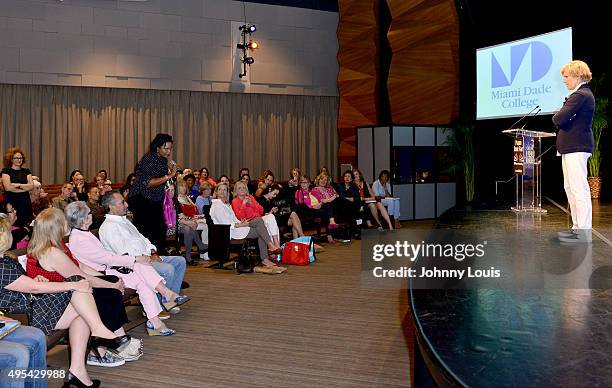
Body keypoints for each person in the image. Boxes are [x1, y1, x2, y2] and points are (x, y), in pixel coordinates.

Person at [0, 215, 130, 388]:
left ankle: (78, 372)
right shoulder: (2, 266)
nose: (11, 234)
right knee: (78, 287)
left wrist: (39, 278)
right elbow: (32, 288)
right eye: (8, 232)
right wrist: (72, 284)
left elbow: (24, 284)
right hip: (26, 315)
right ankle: (99, 333)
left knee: (82, 312)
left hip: (33, 306)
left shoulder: (5, 259)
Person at [25, 208, 141, 367]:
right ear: (57, 227)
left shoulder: (57, 245)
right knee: (105, 293)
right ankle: (106, 345)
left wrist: (107, 278)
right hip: (52, 304)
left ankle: (110, 338)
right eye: (64, 221)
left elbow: (81, 266)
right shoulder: (51, 252)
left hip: (64, 293)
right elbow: (80, 276)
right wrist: (112, 285)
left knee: (108, 283)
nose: (68, 222)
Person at [65, 201, 178, 337]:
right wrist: (135, 258)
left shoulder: (83, 234)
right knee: (139, 265)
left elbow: (107, 258)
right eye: (89, 213)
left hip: (108, 269)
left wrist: (135, 259)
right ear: (83, 219)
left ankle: (157, 316)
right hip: (100, 275)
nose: (92, 215)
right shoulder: (78, 239)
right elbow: (107, 259)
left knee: (141, 274)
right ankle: (164, 298)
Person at [99, 191, 188, 309]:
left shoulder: (124, 220)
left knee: (180, 261)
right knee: (168, 269)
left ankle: (170, 300)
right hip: (133, 265)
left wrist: (153, 251)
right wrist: (149, 258)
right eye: (122, 202)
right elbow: (125, 253)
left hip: (147, 257)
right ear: (111, 206)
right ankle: (160, 305)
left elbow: (143, 239)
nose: (126, 205)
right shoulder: (109, 227)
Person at [553, 60, 596, 243]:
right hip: (570, 147)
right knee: (570, 188)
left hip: (576, 147)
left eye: (566, 76)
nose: (564, 80)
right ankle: (577, 228)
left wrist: (559, 115)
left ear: (578, 75)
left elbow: (559, 118)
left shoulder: (580, 95)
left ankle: (583, 232)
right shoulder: (579, 95)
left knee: (579, 189)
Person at [210, 183, 283, 269]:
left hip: (237, 226)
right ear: (216, 192)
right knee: (260, 229)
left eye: (225, 190)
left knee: (260, 222)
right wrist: (240, 225)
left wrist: (241, 222)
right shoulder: (216, 205)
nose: (222, 192)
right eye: (220, 189)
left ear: (227, 192)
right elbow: (225, 223)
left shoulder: (226, 205)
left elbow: (236, 218)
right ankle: (267, 253)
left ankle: (268, 252)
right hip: (228, 231)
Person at [128, 134, 177, 252]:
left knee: (159, 230)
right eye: (166, 148)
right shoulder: (149, 158)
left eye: (170, 148)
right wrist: (169, 175)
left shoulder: (162, 160)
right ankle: (147, 258)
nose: (169, 152)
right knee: (147, 231)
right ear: (157, 147)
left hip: (154, 199)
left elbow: (158, 181)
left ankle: (158, 256)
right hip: (142, 199)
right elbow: (148, 183)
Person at [232, 181, 282, 249]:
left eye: (244, 187)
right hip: (249, 222)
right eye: (239, 188)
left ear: (246, 189)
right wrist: (243, 204)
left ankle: (276, 244)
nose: (242, 189)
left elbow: (261, 210)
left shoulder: (251, 197)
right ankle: (275, 248)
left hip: (259, 219)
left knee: (271, 217)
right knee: (268, 224)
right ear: (236, 190)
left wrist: (252, 204)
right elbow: (241, 217)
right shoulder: (235, 201)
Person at [1, 147, 34, 227]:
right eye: (16, 158)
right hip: (11, 202)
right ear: (11, 159)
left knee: (27, 225)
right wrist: (24, 188)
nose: (19, 160)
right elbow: (8, 188)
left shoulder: (26, 171)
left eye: (20, 158)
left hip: (25, 202)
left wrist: (17, 185)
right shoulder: (6, 171)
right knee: (12, 226)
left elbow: (31, 186)